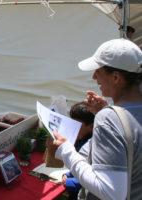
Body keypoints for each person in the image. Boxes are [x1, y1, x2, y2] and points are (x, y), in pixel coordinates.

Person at [49, 38, 142, 200]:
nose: (93, 77)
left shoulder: (110, 119)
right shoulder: (122, 113)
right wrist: (107, 110)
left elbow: (110, 191)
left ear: (116, 78)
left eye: (98, 71)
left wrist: (66, 150)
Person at [62, 101, 94, 200]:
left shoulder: (94, 145)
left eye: (77, 125)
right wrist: (68, 174)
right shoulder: (82, 139)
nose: (73, 128)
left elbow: (92, 181)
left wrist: (68, 182)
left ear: (91, 126)